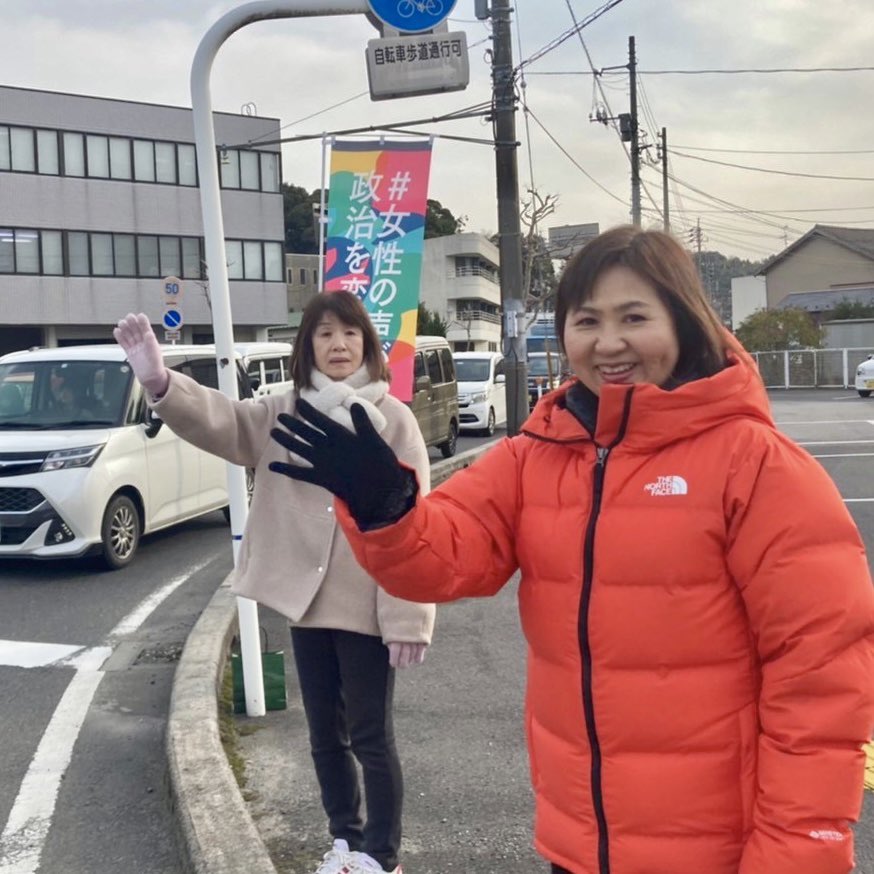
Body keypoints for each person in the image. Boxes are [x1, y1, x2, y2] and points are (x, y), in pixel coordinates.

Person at [269, 225, 874, 874]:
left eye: (634, 317)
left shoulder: (757, 465)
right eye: (586, 321)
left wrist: (794, 855)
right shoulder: (539, 453)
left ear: (686, 321)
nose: (608, 343)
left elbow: (822, 684)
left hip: (718, 850)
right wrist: (386, 506)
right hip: (578, 843)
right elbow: (443, 560)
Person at [113, 292, 435, 874]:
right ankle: (345, 842)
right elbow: (225, 422)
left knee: (370, 737)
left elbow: (416, 523)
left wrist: (407, 617)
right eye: (324, 333)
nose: (338, 345)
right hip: (304, 604)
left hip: (367, 605)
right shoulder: (283, 411)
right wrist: (161, 383)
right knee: (324, 736)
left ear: (368, 344)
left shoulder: (394, 421)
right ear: (306, 346)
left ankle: (381, 858)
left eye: (350, 333)